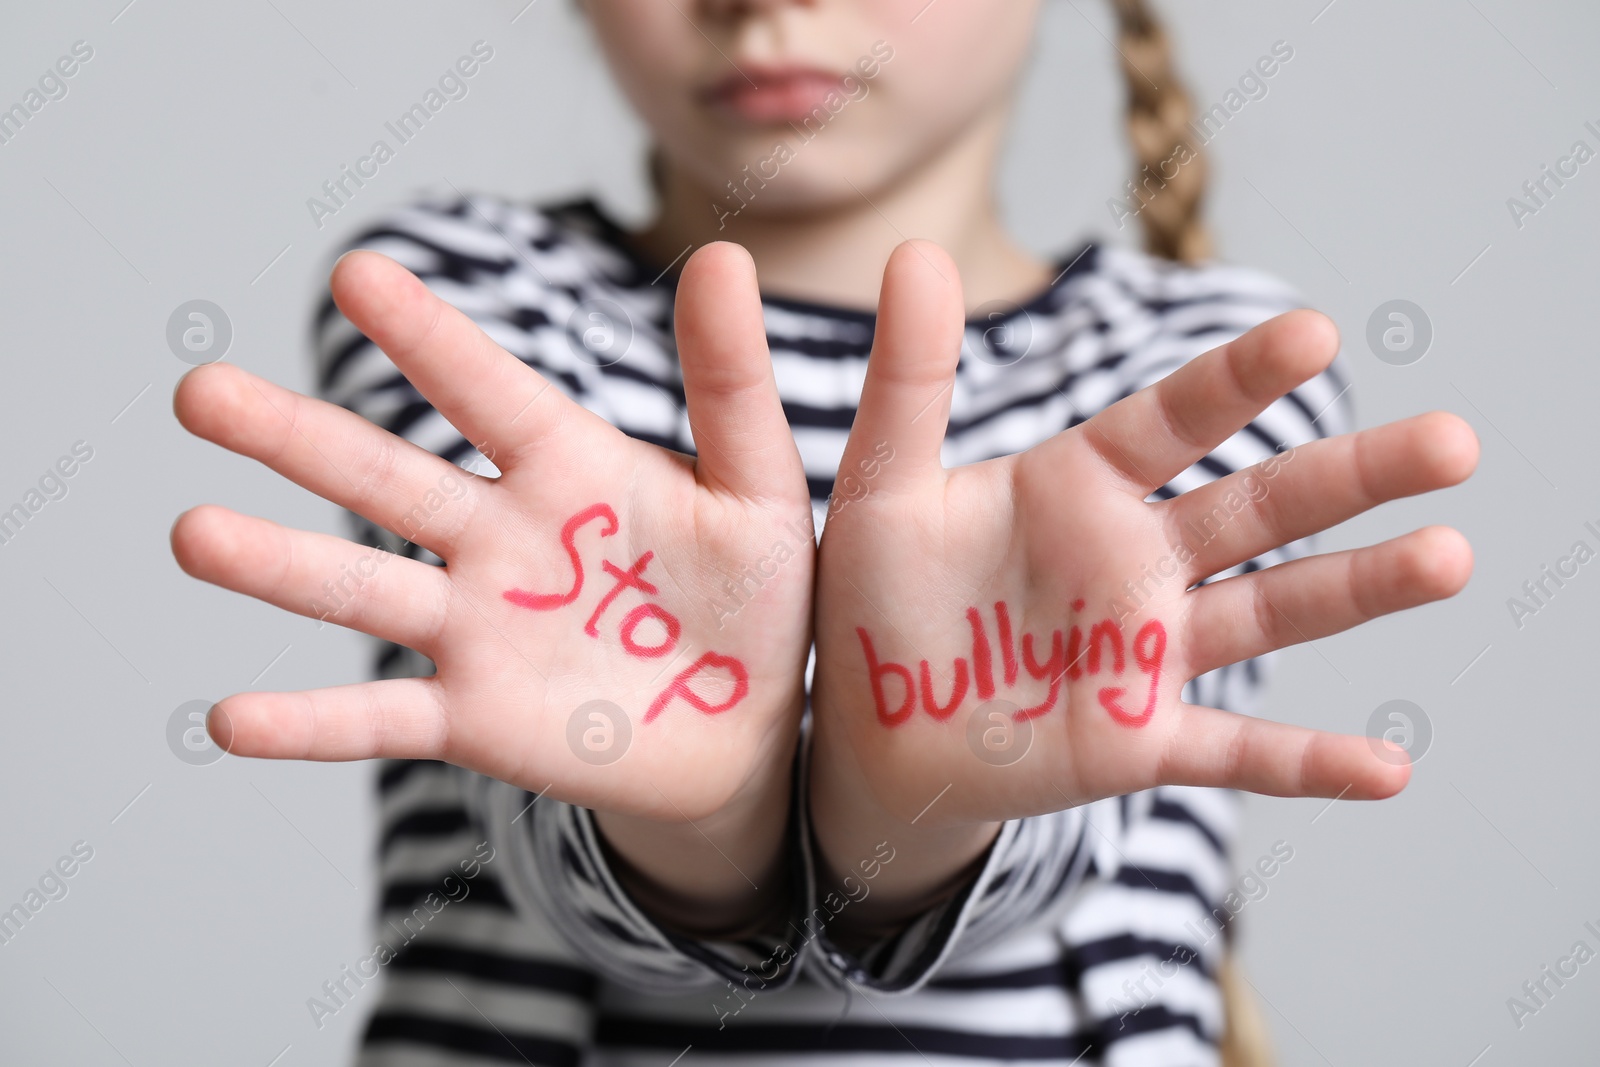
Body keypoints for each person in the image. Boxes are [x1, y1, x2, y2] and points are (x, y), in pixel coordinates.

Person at [169, 1, 1479, 1063]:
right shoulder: (468, 306)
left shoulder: (1197, 369)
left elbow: (1079, 849)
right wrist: (694, 808)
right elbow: (539, 858)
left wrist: (931, 800)